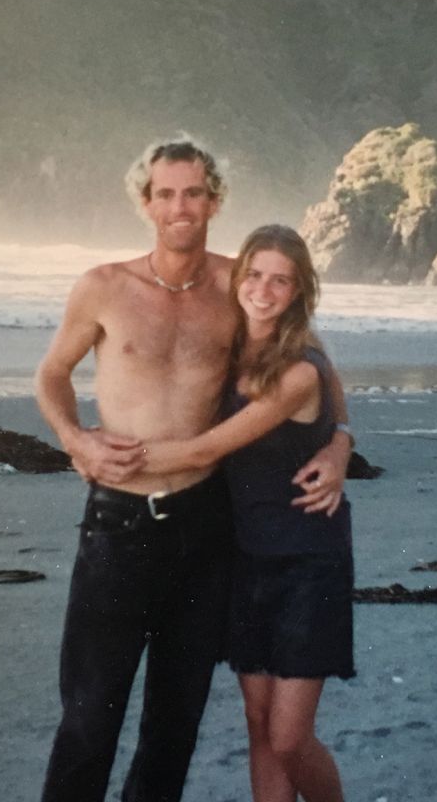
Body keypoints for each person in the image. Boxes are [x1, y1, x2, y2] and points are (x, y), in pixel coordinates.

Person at [34, 141, 352, 802]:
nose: (181, 207)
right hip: (118, 523)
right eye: (167, 193)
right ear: (146, 203)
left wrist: (340, 439)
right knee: (91, 717)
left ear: (215, 200)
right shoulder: (104, 286)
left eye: (195, 193)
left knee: (174, 724)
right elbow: (52, 372)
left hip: (204, 530)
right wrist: (74, 439)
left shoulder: (239, 285)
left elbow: (313, 355)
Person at [139, 224, 352, 802]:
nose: (263, 289)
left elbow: (209, 448)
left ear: (299, 290)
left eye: (280, 280)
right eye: (254, 275)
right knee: (258, 724)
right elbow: (340, 404)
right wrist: (342, 439)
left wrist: (113, 458)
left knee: (288, 737)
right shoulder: (228, 346)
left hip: (308, 561)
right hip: (244, 556)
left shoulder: (298, 368)